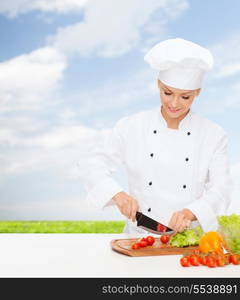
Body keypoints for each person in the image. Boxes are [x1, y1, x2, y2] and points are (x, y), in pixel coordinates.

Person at [78, 38, 231, 234]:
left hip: (187, 239)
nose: (174, 103)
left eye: (185, 97)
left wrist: (192, 212)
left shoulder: (213, 134)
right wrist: (117, 194)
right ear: (158, 84)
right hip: (139, 237)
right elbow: (91, 163)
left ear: (197, 93)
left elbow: (222, 187)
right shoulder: (132, 126)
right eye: (168, 93)